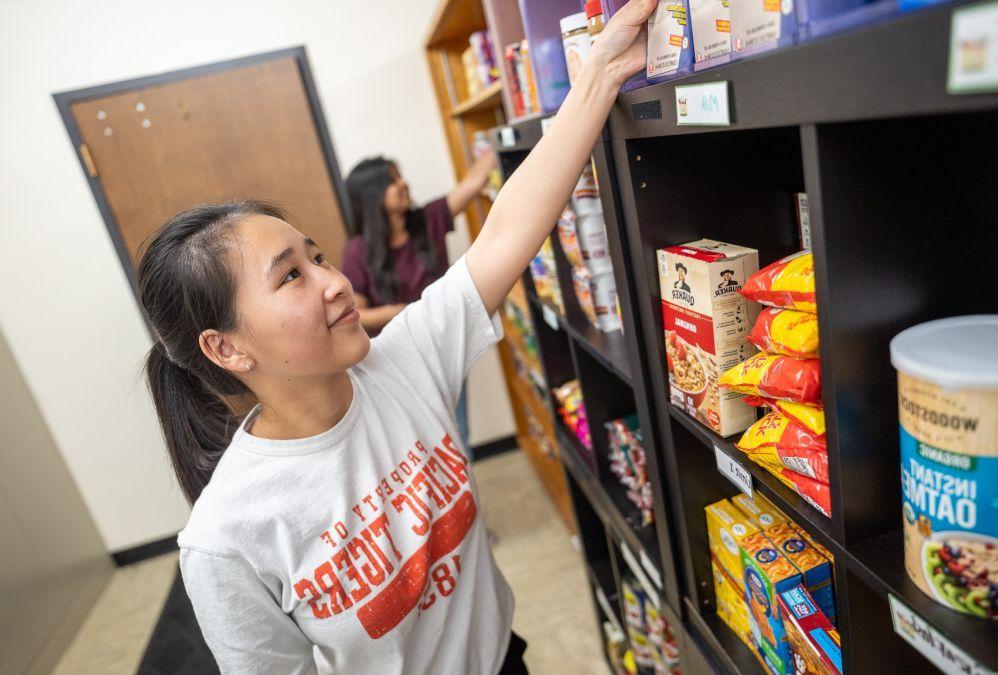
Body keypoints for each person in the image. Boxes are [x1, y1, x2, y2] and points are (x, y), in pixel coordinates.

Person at [135, 2, 653, 673]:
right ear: (227, 348)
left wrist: (601, 69)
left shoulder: (403, 358)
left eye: (316, 257)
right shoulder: (226, 539)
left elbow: (504, 233)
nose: (332, 282)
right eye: (291, 276)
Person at [340, 153, 495, 449]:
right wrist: (402, 311)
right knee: (415, 446)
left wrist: (493, 141)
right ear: (372, 196)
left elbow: (475, 182)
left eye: (400, 176)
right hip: (393, 363)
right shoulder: (358, 250)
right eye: (392, 180)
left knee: (458, 438)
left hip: (443, 348)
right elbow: (358, 313)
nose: (403, 184)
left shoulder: (429, 219)